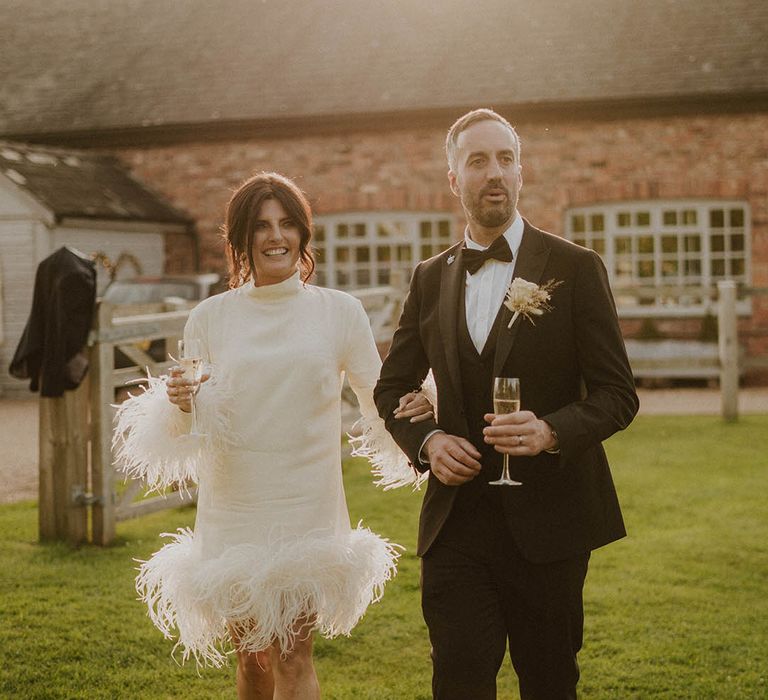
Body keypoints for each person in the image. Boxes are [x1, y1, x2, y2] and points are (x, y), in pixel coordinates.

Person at [113, 172, 433, 700]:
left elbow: (380, 395)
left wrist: (426, 408)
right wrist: (181, 404)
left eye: (287, 223)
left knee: (291, 654)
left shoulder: (339, 311)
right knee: (253, 659)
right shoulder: (210, 317)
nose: (275, 236)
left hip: (305, 504)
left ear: (304, 234)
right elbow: (190, 430)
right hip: (235, 506)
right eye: (261, 226)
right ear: (242, 237)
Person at [374, 108, 639, 699]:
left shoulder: (575, 268)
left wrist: (550, 431)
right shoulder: (429, 277)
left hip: (551, 523)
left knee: (549, 683)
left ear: (521, 174)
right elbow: (391, 388)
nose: (494, 173)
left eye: (506, 159)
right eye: (477, 161)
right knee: (459, 682)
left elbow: (618, 395)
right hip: (457, 525)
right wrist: (428, 442)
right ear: (453, 180)